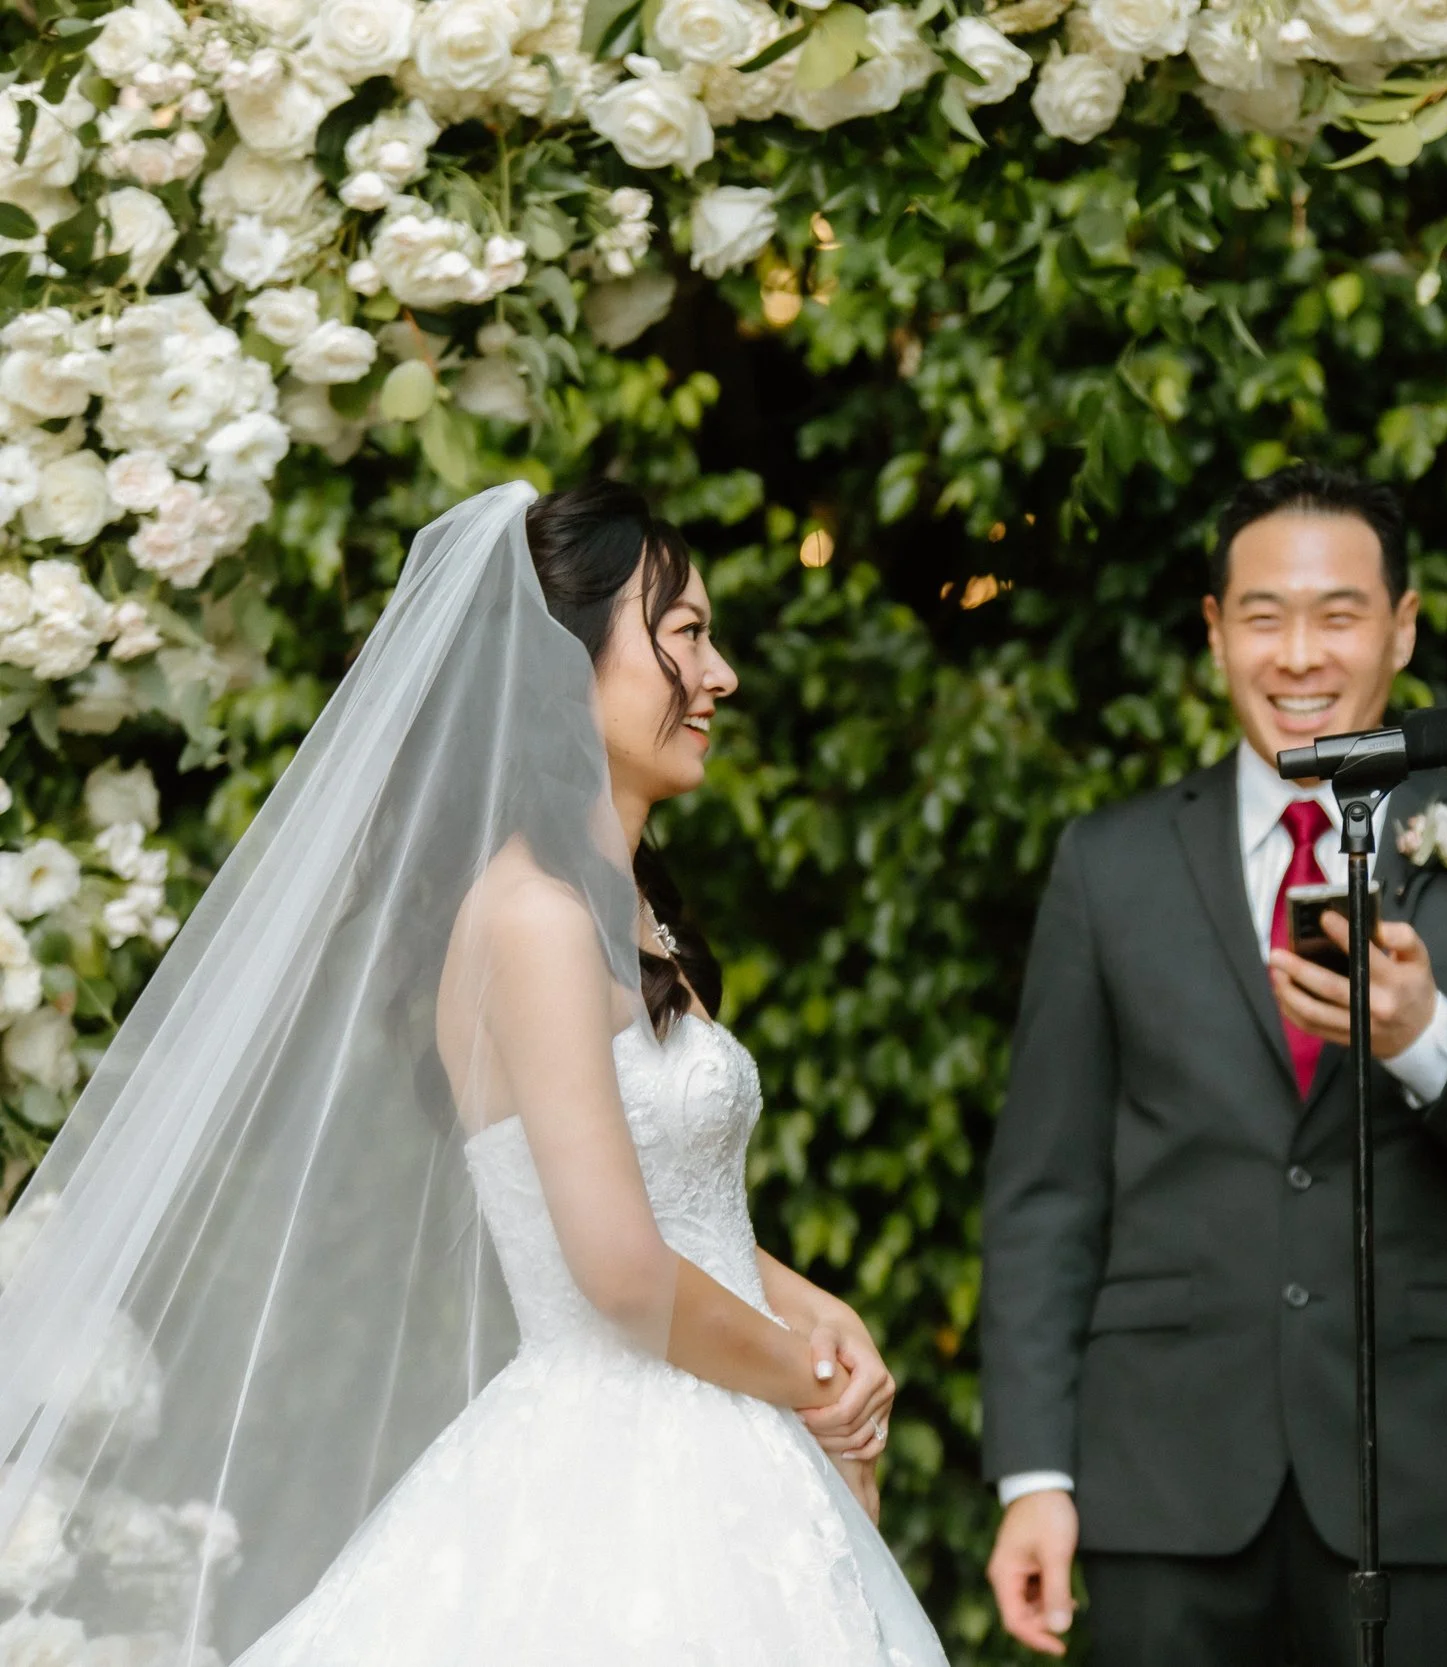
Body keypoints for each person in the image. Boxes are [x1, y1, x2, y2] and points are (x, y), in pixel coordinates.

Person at [0, 481, 945, 1665]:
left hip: (709, 1429)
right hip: (628, 1475)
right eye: (686, 634)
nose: (721, 676)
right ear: (563, 664)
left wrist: (813, 1306)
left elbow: (665, 1198)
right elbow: (617, 1267)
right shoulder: (533, 917)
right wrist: (806, 1373)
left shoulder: (628, 908)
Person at [978, 464, 1447, 1666]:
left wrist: (1425, 1041)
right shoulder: (1109, 864)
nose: (1299, 655)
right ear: (1215, 629)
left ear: (1403, 626)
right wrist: (1034, 1474)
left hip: (1423, 1480)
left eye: (1338, 614)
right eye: (1264, 616)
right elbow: (1045, 1190)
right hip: (1160, 1484)